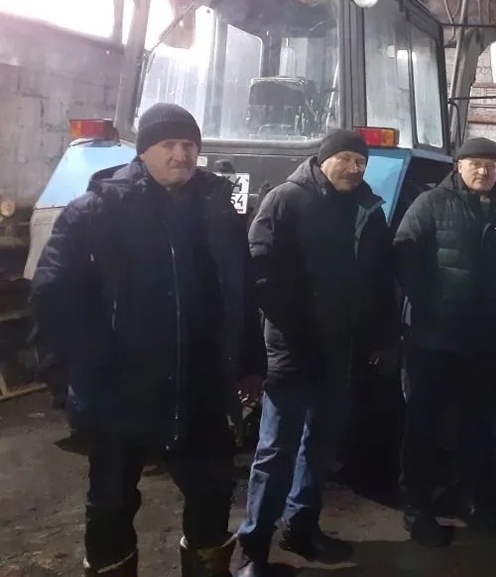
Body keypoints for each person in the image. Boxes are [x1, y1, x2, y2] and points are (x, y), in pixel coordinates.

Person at [32, 103, 266, 577]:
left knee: (211, 494)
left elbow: (239, 290)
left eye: (189, 145)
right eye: (168, 145)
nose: (181, 154)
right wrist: (74, 378)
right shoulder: (96, 212)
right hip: (122, 392)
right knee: (111, 504)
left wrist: (249, 362)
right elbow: (54, 297)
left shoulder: (217, 210)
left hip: (200, 388)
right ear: (143, 152)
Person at [235, 129, 395, 575]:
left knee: (320, 443)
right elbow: (261, 271)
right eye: (345, 158)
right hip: (293, 348)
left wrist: (379, 334)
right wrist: (298, 326)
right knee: (276, 450)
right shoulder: (286, 200)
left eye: (360, 162)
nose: (354, 168)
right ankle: (253, 546)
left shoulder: (368, 209)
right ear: (323, 160)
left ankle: (301, 526)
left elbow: (380, 278)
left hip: (341, 350)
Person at [393, 137, 496, 547]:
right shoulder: (430, 205)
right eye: (475, 163)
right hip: (434, 339)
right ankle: (417, 506)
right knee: (423, 425)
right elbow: (404, 258)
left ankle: (472, 498)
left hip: (488, 342)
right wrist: (429, 305)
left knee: (478, 425)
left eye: (491, 165)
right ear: (458, 166)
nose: (484, 171)